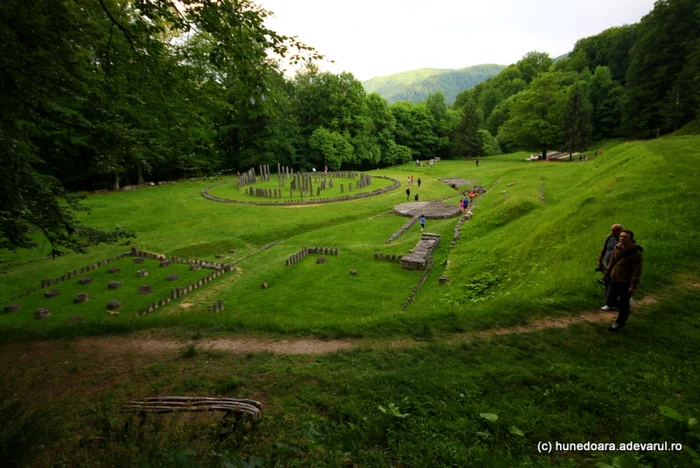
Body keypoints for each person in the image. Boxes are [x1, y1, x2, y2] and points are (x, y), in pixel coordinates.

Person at [601, 230, 643, 331]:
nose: (622, 238)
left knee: (624, 302)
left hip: (625, 282)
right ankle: (625, 310)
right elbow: (612, 262)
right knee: (610, 299)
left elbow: (637, 271)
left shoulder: (636, 253)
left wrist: (633, 286)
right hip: (614, 278)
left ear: (631, 239)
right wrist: (606, 274)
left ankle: (619, 323)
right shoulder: (618, 247)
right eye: (621, 236)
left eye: (625, 237)